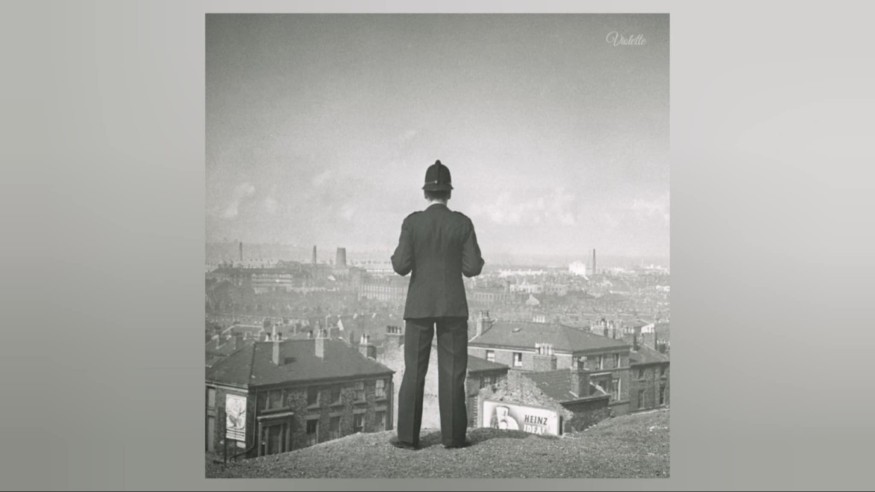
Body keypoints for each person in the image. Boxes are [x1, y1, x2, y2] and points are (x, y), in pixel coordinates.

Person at [389, 160, 485, 450]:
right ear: (449, 193)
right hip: (453, 306)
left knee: (414, 371)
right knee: (453, 371)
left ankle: (408, 437)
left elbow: (401, 266)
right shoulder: (462, 223)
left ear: (425, 193)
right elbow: (472, 268)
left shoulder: (412, 223)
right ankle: (454, 437)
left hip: (419, 306)